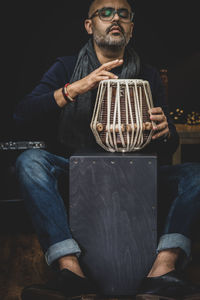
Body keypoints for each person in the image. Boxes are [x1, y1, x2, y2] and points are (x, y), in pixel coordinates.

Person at [14, 0, 200, 299]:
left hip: (137, 174)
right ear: (90, 25)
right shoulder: (66, 66)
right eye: (106, 13)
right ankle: (70, 271)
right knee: (30, 162)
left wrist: (165, 131)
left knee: (195, 174)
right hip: (77, 174)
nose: (115, 18)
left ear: (131, 28)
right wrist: (75, 87)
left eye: (123, 14)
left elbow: (170, 143)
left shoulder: (149, 75)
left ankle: (163, 270)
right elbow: (22, 115)